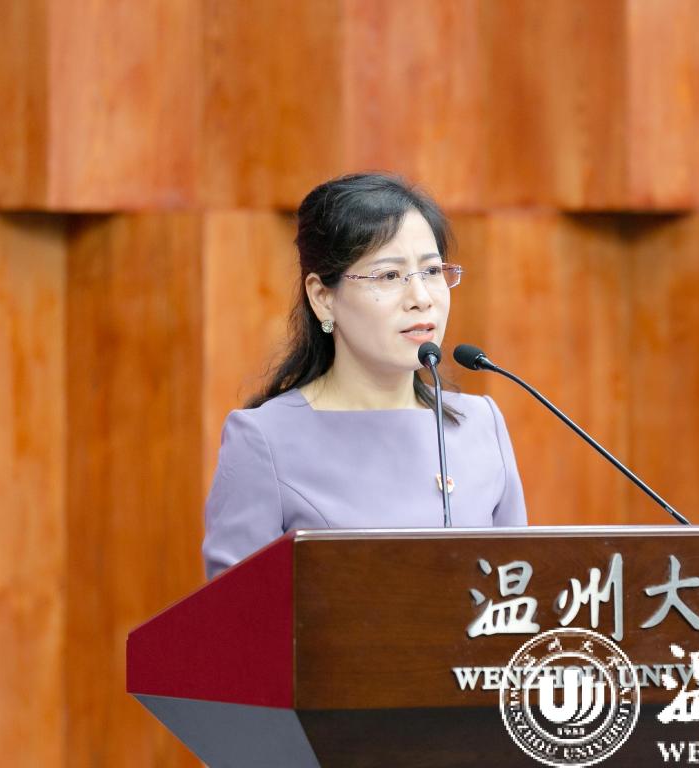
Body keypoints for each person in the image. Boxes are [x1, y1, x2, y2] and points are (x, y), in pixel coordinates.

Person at [202, 173, 528, 578]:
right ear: (323, 297)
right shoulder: (263, 441)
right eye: (389, 276)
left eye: (431, 271)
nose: (421, 298)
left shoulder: (480, 425)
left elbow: (519, 589)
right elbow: (236, 610)